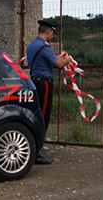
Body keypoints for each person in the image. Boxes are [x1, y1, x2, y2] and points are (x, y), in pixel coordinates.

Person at [26, 20, 73, 165]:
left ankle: (32, 149)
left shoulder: (32, 45)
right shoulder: (44, 46)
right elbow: (58, 64)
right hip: (44, 84)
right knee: (43, 117)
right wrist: (67, 59)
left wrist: (59, 58)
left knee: (35, 115)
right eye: (52, 32)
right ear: (48, 31)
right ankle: (35, 153)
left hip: (34, 81)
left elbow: (50, 60)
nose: (53, 35)